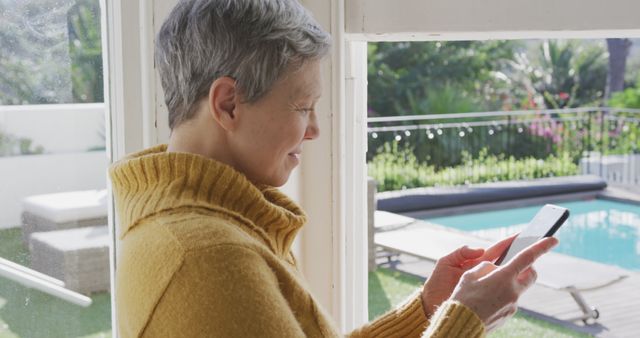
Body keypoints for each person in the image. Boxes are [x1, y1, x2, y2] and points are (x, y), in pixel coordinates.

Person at [109, 0, 558, 337]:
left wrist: (428, 308)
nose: (315, 130)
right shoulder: (207, 257)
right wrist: (463, 323)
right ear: (228, 104)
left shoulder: (208, 227)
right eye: (303, 106)